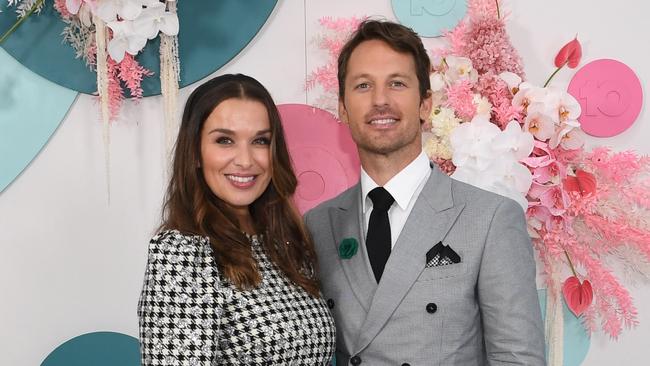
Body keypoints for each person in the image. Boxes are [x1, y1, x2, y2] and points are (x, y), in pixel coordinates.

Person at [304, 20, 545, 365]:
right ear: (342, 108)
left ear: (425, 104)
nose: (380, 100)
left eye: (397, 83)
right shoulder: (318, 224)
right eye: (362, 86)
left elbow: (517, 358)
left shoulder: (490, 219)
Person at [138, 74, 336, 365]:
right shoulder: (183, 253)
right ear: (195, 152)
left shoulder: (285, 245)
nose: (245, 160)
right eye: (225, 140)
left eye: (260, 141)